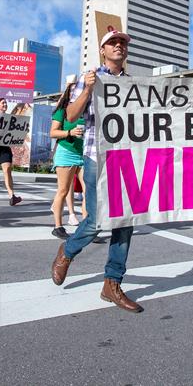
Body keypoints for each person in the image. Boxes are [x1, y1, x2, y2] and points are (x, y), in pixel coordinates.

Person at [50, 28, 143, 312]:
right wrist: (89, 88)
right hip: (95, 157)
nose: (119, 46)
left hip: (126, 159)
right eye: (113, 43)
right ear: (103, 51)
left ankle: (111, 283)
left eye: (122, 43)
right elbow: (70, 115)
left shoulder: (132, 83)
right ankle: (68, 251)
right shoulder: (89, 78)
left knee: (125, 222)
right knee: (97, 220)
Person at [49, 83, 86, 239]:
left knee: (89, 192)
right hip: (66, 152)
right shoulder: (62, 111)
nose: (77, 93)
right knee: (63, 190)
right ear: (69, 94)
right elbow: (53, 132)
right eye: (74, 90)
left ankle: (86, 228)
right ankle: (58, 227)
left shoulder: (87, 110)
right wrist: (69, 132)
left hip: (85, 154)